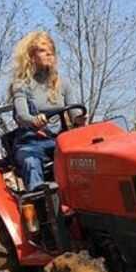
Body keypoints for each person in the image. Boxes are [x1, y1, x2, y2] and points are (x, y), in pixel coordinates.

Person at [8, 30, 83, 190]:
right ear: (31, 56)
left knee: (86, 159)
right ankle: (41, 204)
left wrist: (80, 119)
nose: (49, 54)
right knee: (30, 161)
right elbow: (21, 116)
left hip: (59, 142)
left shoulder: (64, 84)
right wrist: (33, 120)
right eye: (43, 50)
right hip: (30, 143)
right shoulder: (21, 85)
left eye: (51, 51)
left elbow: (75, 113)